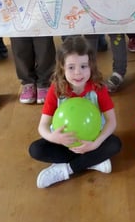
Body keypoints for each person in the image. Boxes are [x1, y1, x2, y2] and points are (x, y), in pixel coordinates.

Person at [29, 36, 121, 188]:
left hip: (92, 141)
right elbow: (42, 126)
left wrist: (95, 144)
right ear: (62, 68)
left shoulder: (98, 88)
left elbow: (112, 122)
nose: (78, 73)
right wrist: (54, 137)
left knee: (115, 144)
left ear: (91, 66)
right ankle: (92, 161)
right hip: (64, 143)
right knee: (36, 149)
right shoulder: (56, 89)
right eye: (71, 67)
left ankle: (67, 169)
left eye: (83, 66)